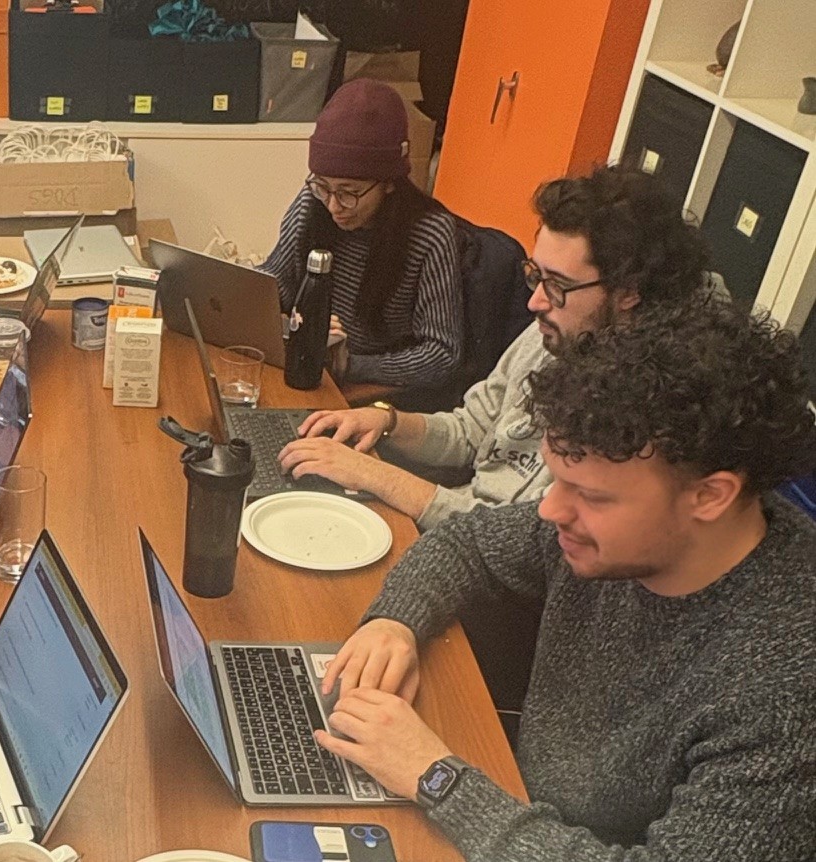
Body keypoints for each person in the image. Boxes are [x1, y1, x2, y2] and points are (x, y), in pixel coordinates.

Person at [310, 299, 816, 860]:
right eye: (558, 480)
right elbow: (467, 542)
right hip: (516, 802)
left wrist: (437, 778)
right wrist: (395, 623)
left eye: (590, 496)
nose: (551, 511)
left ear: (710, 496)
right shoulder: (622, 531)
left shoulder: (784, 689)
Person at [279, 165, 712, 532]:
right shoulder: (560, 329)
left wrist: (376, 476)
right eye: (536, 276)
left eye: (558, 285)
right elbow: (472, 430)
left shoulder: (647, 410)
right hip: (455, 524)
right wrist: (387, 420)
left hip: (485, 553)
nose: (535, 302)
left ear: (628, 292)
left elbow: (518, 543)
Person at [260, 78, 463, 403]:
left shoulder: (430, 233)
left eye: (350, 193)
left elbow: (442, 353)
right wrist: (250, 298)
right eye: (323, 186)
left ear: (389, 183)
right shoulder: (313, 202)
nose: (334, 206)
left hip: (363, 387)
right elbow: (278, 280)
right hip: (304, 364)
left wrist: (349, 363)